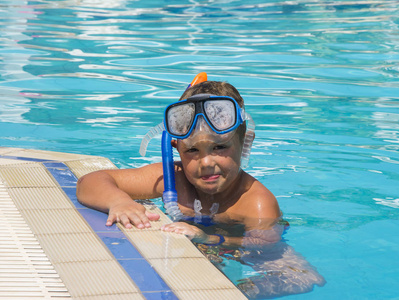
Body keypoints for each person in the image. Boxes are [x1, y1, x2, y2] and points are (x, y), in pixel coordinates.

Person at [76, 73, 325, 298]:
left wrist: (211, 239)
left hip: (233, 247)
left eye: (219, 147)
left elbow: (266, 245)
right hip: (200, 250)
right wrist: (119, 201)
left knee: (302, 276)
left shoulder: (255, 201)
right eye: (193, 150)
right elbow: (90, 182)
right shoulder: (172, 179)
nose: (206, 163)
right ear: (176, 147)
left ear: (244, 141)